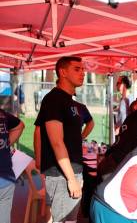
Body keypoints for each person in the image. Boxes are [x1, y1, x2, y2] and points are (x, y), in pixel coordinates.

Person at [35, 56, 85, 223]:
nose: (82, 73)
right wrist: (71, 179)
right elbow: (57, 142)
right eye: (77, 69)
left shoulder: (68, 101)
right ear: (63, 72)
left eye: (83, 69)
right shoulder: (54, 99)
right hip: (62, 175)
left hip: (71, 172)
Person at [0, 109, 24, 223]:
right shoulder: (2, 113)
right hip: (6, 178)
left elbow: (19, 125)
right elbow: (20, 125)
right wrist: (6, 143)